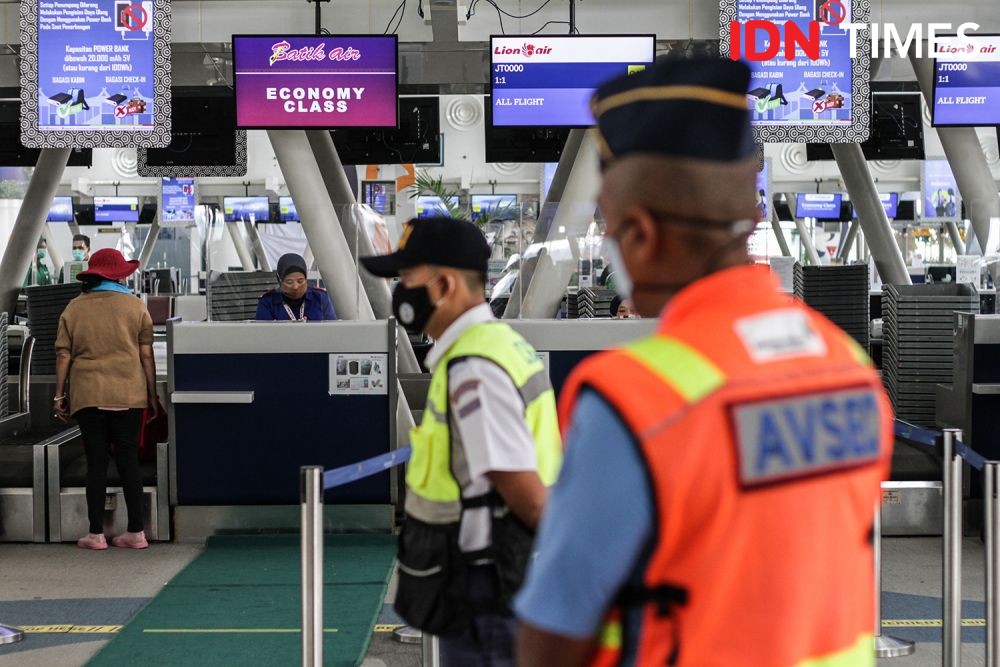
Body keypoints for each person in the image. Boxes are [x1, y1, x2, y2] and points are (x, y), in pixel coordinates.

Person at [516, 58, 893, 667]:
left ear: (639, 234)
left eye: (607, 226)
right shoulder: (844, 363)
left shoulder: (635, 397)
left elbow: (556, 632)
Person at [360, 217, 562, 667]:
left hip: (489, 583)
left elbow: (523, 492)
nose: (400, 291)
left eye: (406, 278)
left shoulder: (474, 366)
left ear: (445, 284)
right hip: (507, 573)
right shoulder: (498, 345)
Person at [53, 249, 160, 550]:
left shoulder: (74, 308)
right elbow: (146, 354)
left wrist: (60, 395)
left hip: (89, 394)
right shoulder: (136, 306)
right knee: (128, 461)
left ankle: (96, 533)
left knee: (96, 462)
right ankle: (136, 532)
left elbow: (64, 354)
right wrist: (151, 395)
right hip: (129, 393)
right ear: (121, 275)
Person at [255, 253, 337, 321]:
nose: (295, 287)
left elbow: (333, 331)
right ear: (279, 280)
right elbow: (263, 335)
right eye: (289, 282)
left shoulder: (320, 298)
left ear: (306, 279)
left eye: (300, 281)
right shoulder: (268, 302)